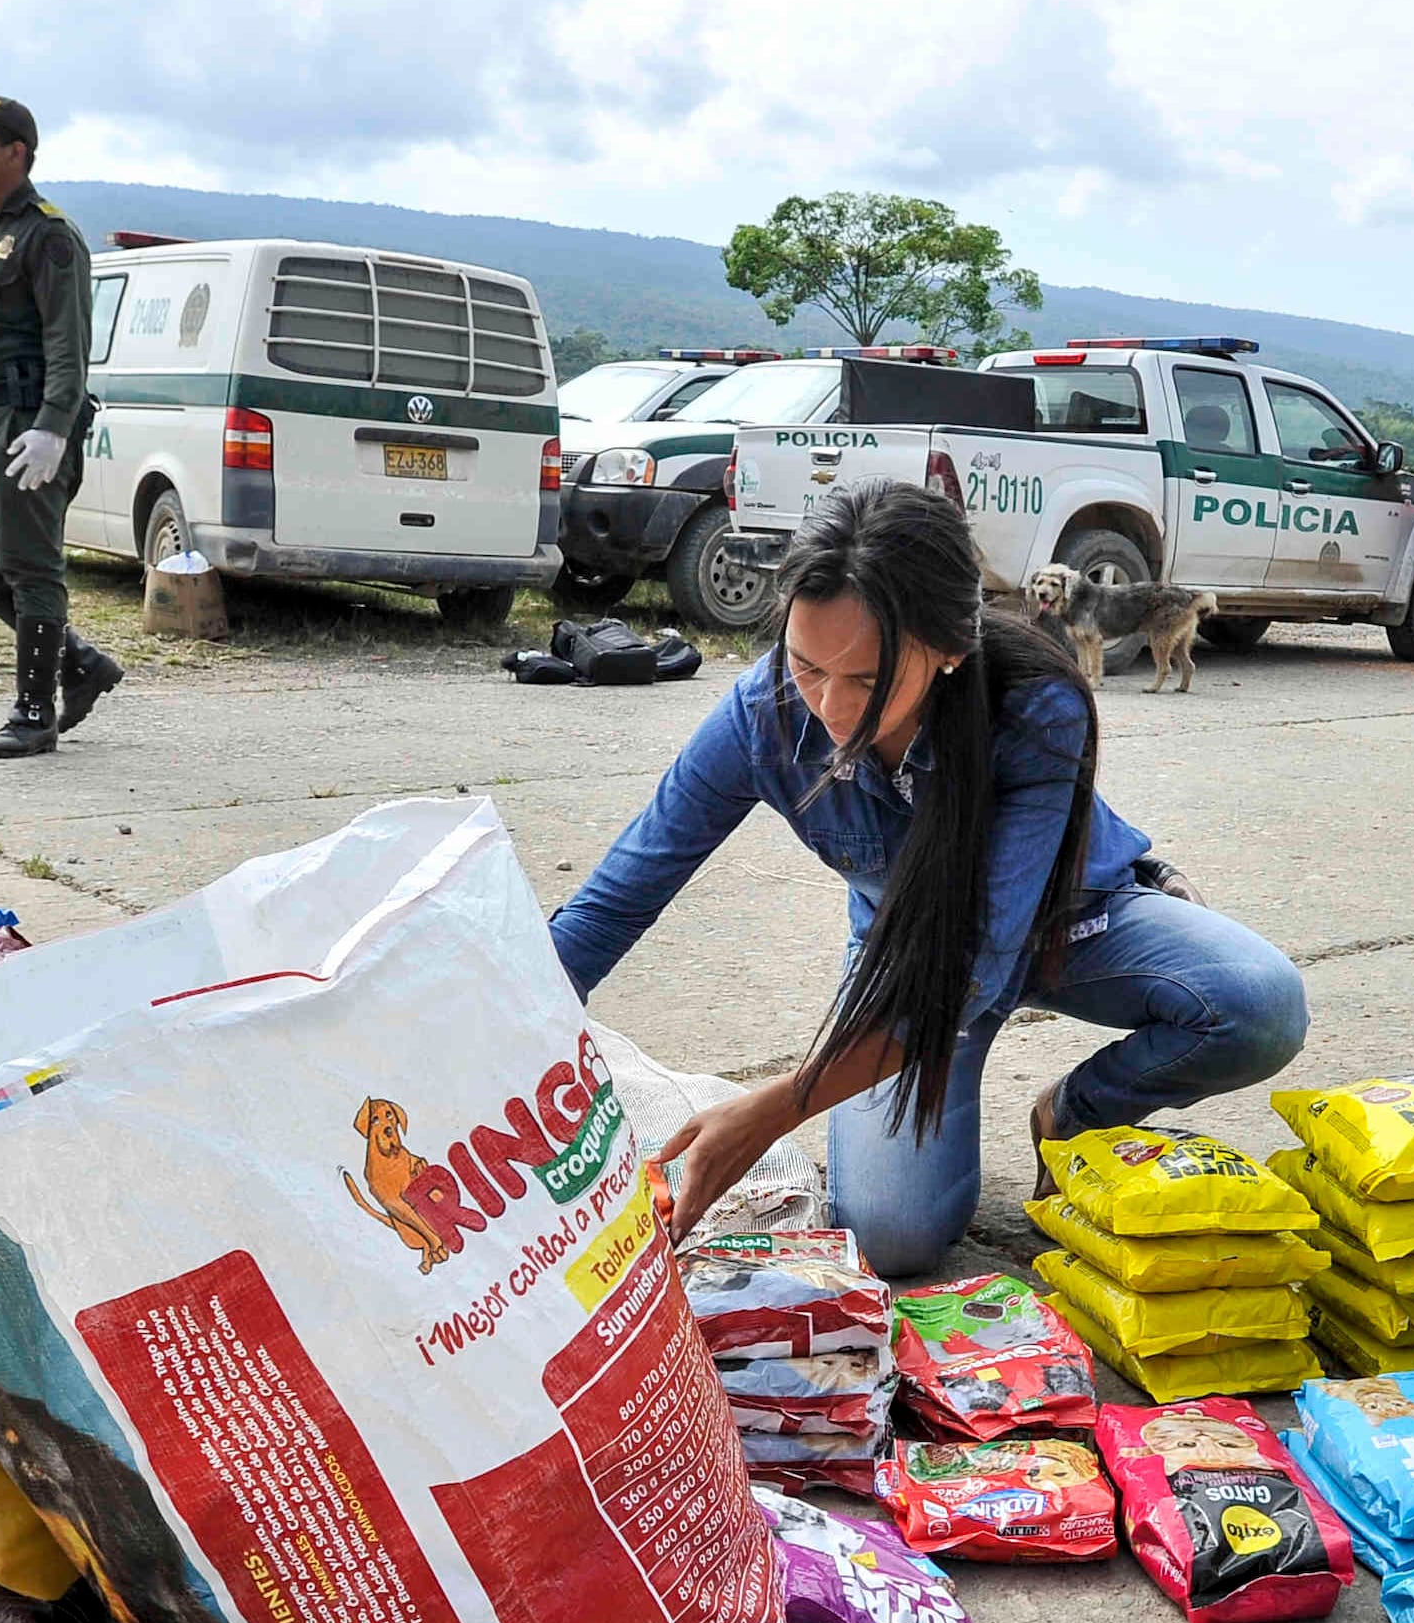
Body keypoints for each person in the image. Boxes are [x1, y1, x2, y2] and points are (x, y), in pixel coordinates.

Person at [548, 483, 1309, 1278]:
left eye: (866, 680)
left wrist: (769, 1112)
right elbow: (613, 901)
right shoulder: (762, 716)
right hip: (909, 962)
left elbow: (977, 965)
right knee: (890, 1235)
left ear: (948, 649)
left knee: (1261, 1003)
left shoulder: (1037, 705)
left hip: (1074, 921)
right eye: (807, 668)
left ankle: (1074, 1113)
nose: (831, 710)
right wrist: (492, 1046)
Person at [0, 93, 122, 760]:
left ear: (15, 151)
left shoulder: (49, 236)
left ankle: (35, 714)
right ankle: (80, 662)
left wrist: (53, 428)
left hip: (25, 420)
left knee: (29, 564)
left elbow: (69, 343)